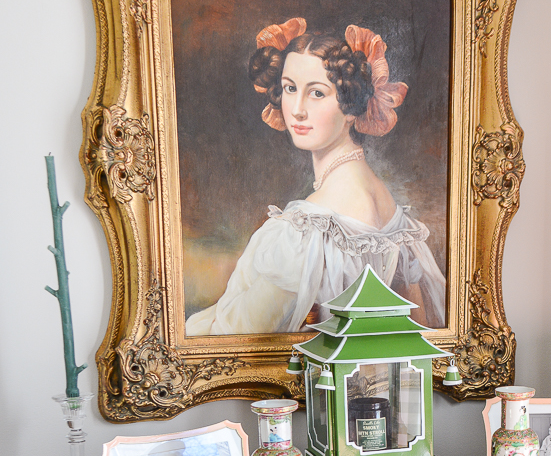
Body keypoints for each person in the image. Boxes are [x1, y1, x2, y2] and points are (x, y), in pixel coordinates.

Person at [185, 18, 446, 335]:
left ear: (351, 106)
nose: (296, 109)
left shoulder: (305, 227)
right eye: (290, 88)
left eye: (317, 93)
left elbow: (236, 337)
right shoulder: (383, 201)